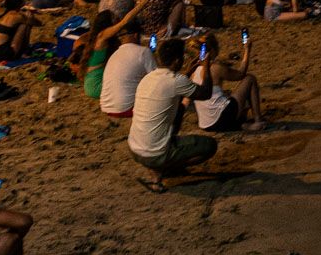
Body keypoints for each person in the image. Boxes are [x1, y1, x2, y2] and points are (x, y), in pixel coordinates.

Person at [129, 38, 217, 191]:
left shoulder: (148, 78)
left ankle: (161, 165)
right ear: (177, 60)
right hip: (155, 153)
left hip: (135, 149)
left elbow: (170, 87)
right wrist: (206, 66)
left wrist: (187, 72)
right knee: (209, 145)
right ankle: (165, 167)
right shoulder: (177, 81)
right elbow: (206, 93)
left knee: (178, 111)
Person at [190, 32, 268, 132]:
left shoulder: (193, 71)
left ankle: (240, 125)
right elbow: (241, 74)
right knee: (250, 79)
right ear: (213, 50)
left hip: (206, 125)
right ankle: (258, 120)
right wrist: (247, 49)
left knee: (229, 95)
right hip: (222, 118)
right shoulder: (216, 68)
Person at [98, 25, 154, 121]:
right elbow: (156, 78)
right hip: (126, 109)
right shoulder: (144, 52)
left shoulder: (115, 54)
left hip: (106, 107)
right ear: (136, 35)